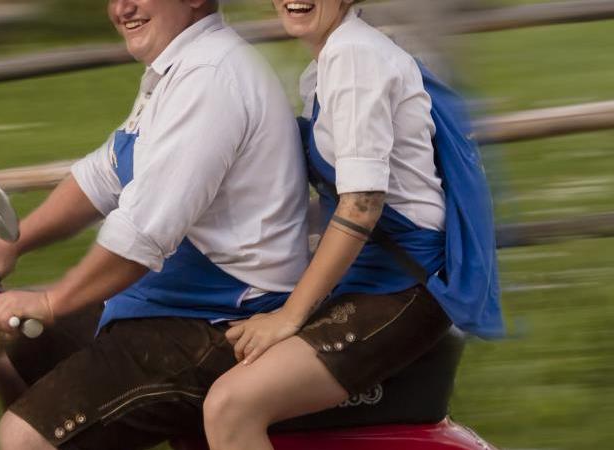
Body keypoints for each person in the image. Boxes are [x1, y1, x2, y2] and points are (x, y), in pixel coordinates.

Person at [0, 0, 312, 448]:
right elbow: (103, 173)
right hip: (175, 302)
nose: (122, 7)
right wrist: (16, 242)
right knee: (14, 362)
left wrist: (50, 301)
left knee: (24, 436)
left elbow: (141, 235)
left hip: (224, 321)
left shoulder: (210, 79)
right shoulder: (176, 69)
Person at [201, 1, 505, 449]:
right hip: (371, 279)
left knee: (230, 406)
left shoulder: (354, 57)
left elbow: (362, 204)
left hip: (401, 290)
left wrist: (290, 315)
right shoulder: (325, 65)